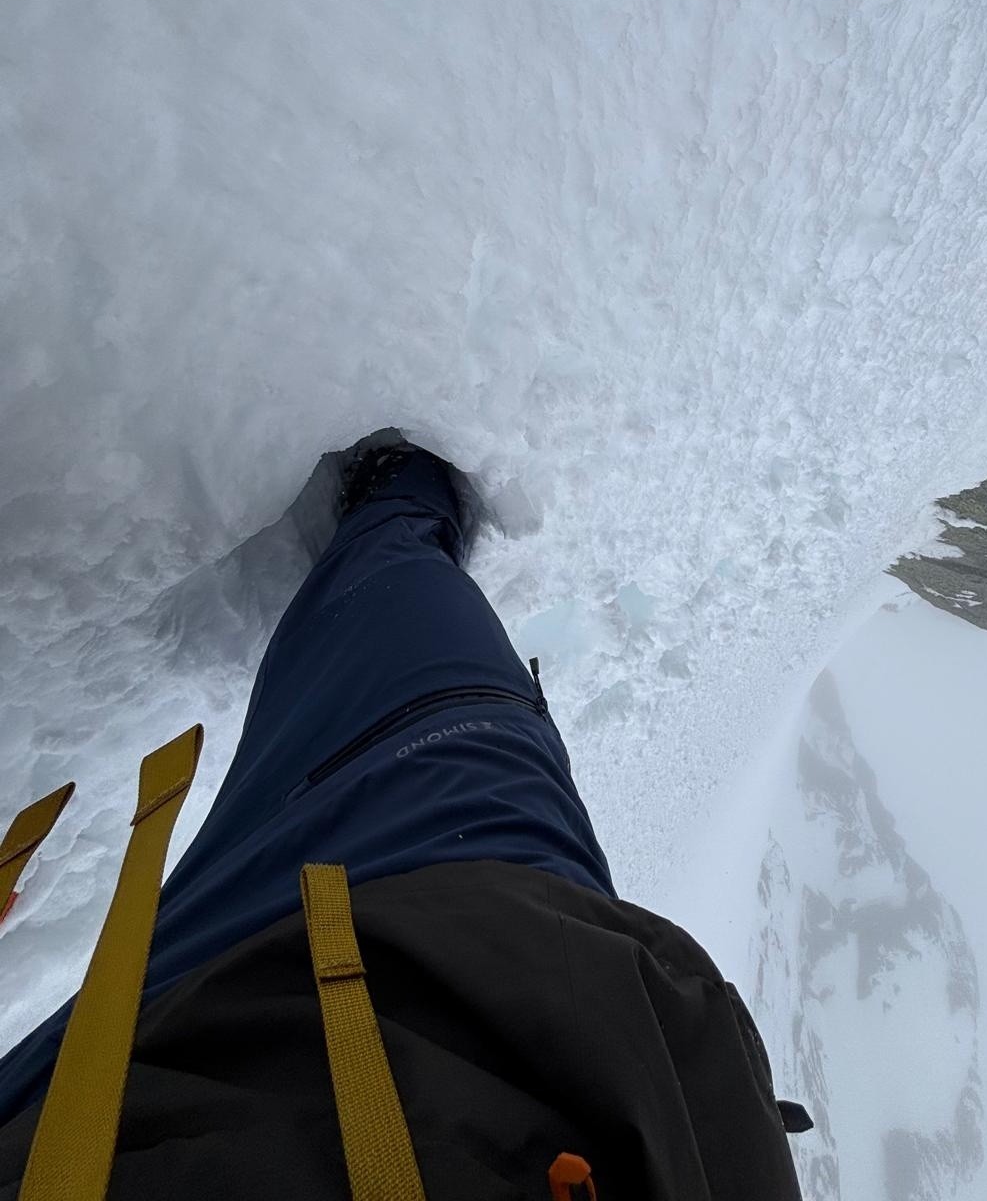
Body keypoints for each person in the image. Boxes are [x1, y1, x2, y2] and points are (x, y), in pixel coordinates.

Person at [0, 439, 807, 1198]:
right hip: (92, 1103)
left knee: (405, 613)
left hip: (455, 952)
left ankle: (400, 497)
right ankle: (394, 512)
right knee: (390, 657)